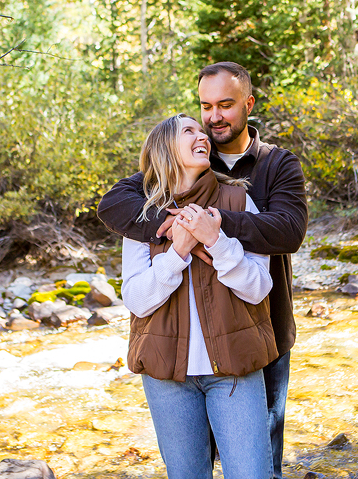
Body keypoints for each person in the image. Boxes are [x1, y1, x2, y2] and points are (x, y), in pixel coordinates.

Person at [99, 62, 308, 479]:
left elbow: (287, 231)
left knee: (260, 463)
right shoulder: (153, 190)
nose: (212, 119)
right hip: (172, 355)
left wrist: (212, 225)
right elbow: (111, 207)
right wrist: (173, 232)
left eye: (225, 105)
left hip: (257, 337)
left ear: (248, 104)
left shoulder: (273, 165)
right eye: (205, 108)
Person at [121, 113, 277, 479]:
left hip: (235, 371)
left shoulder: (239, 202)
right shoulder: (142, 215)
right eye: (188, 131)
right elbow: (136, 300)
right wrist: (176, 253)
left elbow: (259, 289)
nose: (202, 136)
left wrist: (217, 242)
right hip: (166, 376)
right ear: (165, 148)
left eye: (201, 130)